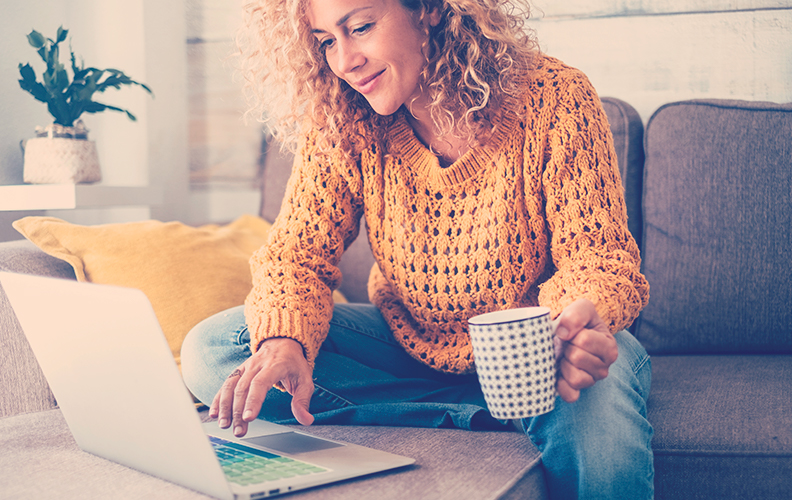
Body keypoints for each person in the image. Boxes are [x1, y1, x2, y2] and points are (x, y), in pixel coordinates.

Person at [181, 0, 654, 497]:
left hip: (538, 348)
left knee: (598, 402)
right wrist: (284, 341)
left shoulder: (554, 98)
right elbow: (296, 256)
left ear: (429, 9)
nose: (344, 62)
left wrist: (569, 331)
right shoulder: (343, 118)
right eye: (326, 41)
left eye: (360, 27)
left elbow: (600, 261)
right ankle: (481, 412)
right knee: (217, 347)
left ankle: (517, 402)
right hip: (410, 345)